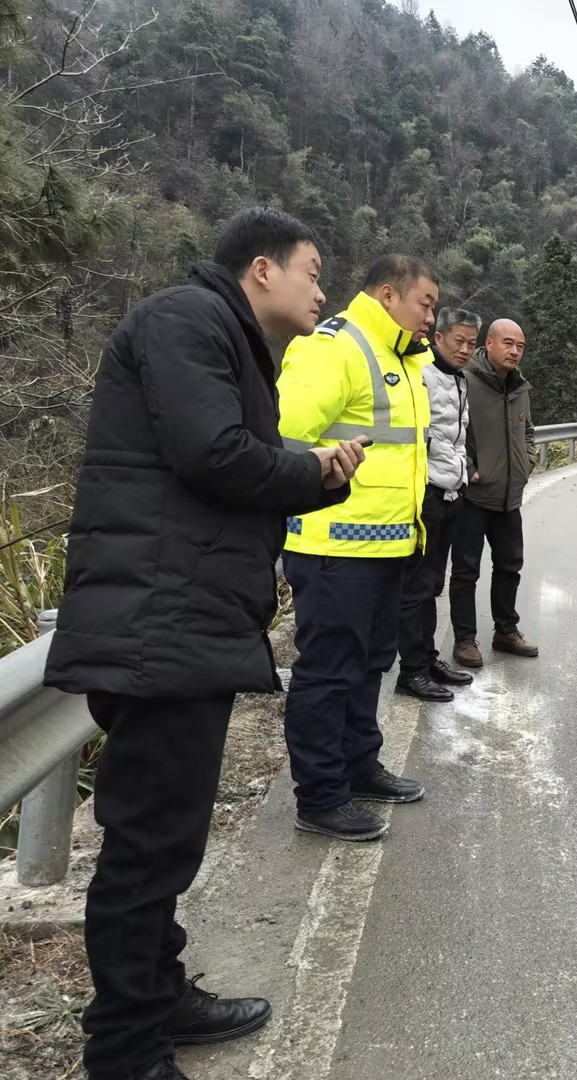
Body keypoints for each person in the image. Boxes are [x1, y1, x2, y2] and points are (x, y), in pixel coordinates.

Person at [42, 208, 366, 1080]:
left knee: (168, 834)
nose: (321, 289)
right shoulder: (186, 320)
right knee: (148, 843)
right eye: (311, 270)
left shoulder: (227, 339)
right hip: (160, 618)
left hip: (185, 617)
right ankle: (125, 1050)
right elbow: (215, 455)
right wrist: (317, 468)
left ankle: (158, 994)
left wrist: (316, 473)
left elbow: (237, 466)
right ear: (262, 270)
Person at [277, 254, 437, 842]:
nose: (430, 317)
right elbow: (284, 443)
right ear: (389, 294)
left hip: (387, 547)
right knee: (328, 672)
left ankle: (358, 766)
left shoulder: (405, 361)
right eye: (425, 303)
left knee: (370, 664)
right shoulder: (333, 347)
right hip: (334, 546)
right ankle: (319, 797)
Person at [397, 307, 483, 700]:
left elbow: (457, 436)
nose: (466, 349)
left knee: (432, 585)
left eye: (472, 343)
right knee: (416, 587)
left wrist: (464, 475)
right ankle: (411, 671)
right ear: (439, 338)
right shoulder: (420, 373)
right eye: (459, 341)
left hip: (452, 493)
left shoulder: (459, 379)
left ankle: (427, 658)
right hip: (425, 494)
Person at [457, 317, 540, 660]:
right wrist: (470, 470)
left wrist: (528, 462)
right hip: (473, 498)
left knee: (510, 566)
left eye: (520, 345)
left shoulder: (520, 387)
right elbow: (450, 430)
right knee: (466, 571)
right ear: (488, 343)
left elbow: (530, 432)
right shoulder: (465, 380)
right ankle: (464, 639)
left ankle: (506, 631)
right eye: (507, 343)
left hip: (510, 497)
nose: (514, 351)